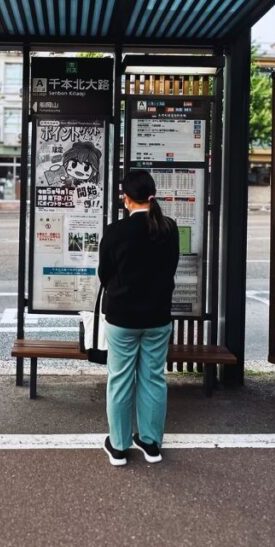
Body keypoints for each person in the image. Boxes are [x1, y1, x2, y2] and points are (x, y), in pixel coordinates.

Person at [97, 169, 179, 466]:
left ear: (126, 199)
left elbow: (104, 274)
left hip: (122, 318)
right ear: (152, 196)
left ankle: (118, 447)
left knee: (119, 379)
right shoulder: (169, 228)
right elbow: (170, 268)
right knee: (154, 378)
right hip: (158, 316)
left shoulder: (115, 232)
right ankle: (151, 443)